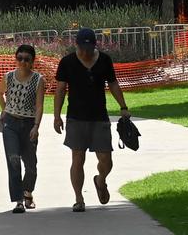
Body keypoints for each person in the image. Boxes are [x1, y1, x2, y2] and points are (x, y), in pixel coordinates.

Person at [53, 27, 131, 212]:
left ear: (95, 45)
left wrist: (124, 107)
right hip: (76, 117)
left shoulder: (104, 60)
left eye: (89, 48)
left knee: (106, 159)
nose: (85, 52)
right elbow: (60, 90)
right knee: (77, 158)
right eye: (82, 48)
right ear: (76, 45)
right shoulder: (67, 62)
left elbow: (113, 84)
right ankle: (79, 199)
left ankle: (100, 179)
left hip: (99, 117)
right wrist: (57, 116)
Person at [0, 44, 45, 213]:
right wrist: (5, 110)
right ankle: (18, 200)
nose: (23, 62)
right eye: (20, 58)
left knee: (31, 164)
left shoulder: (39, 80)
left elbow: (39, 106)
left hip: (29, 124)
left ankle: (28, 192)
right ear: (16, 58)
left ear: (32, 61)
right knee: (13, 160)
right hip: (10, 124)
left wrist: (36, 126)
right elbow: (0, 94)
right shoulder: (8, 76)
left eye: (27, 59)